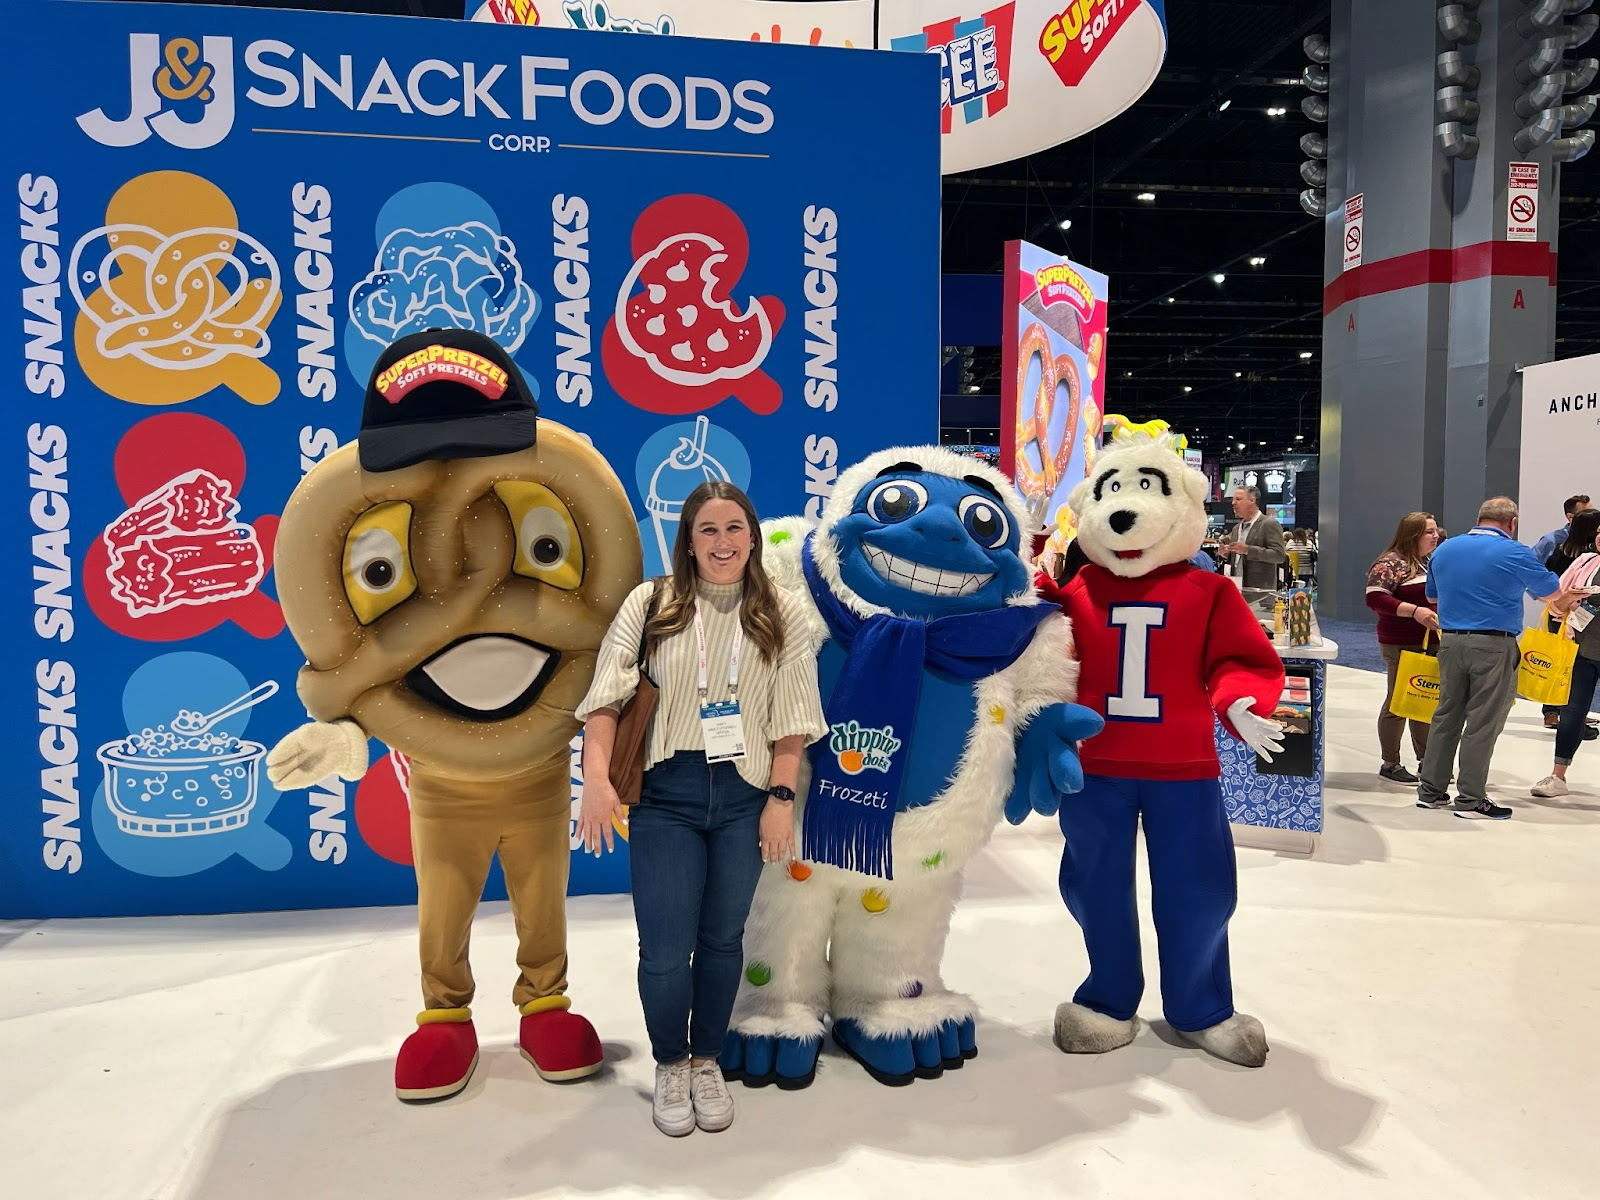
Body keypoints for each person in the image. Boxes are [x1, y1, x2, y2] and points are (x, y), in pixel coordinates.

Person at [575, 482, 824, 1137]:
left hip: (745, 795)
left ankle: (705, 1059)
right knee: (664, 948)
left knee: (721, 939)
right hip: (668, 796)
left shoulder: (782, 612)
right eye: (708, 530)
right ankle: (669, 1062)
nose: (723, 542)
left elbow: (792, 720)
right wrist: (595, 778)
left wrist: (780, 800)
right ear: (688, 541)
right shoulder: (650, 604)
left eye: (734, 528)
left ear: (753, 536)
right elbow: (605, 699)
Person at [1416, 497, 1578, 820]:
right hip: (1493, 644)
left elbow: (1432, 596)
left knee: (1446, 716)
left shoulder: (1445, 549)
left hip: (1450, 641)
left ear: (1480, 518)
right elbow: (1551, 591)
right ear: (1512, 523)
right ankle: (1470, 800)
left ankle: (1430, 792)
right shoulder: (1515, 552)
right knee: (1483, 721)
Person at [1365, 511, 1440, 783]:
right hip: (1400, 642)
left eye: (1436, 531)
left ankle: (1427, 760)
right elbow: (1375, 599)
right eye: (1429, 532)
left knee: (1424, 701)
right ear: (1413, 534)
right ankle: (1390, 762)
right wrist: (1415, 612)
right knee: (1398, 702)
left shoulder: (1428, 562)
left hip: (1430, 641)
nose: (1436, 536)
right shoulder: (1390, 563)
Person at [1532, 526, 1600, 799]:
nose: (1599, 537)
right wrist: (1570, 601)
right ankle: (1557, 776)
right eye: (1599, 532)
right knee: (1572, 713)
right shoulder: (1585, 562)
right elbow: (1555, 604)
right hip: (1581, 652)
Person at [1217, 485, 1287, 598]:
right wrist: (1227, 555)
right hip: (1237, 591)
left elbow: (1279, 556)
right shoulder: (1236, 528)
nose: (1233, 503)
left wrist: (1248, 550)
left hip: (1261, 595)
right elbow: (1238, 558)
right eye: (1233, 499)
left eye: (1238, 499)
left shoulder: (1269, 524)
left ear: (1252, 500)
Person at [1532, 493, 1592, 566]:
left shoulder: (1596, 539)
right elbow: (1531, 564)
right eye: (1586, 514)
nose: (1593, 517)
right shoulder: (1551, 540)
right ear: (1570, 517)